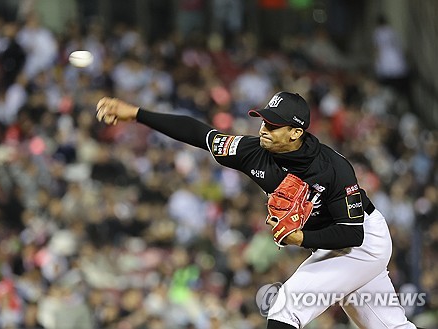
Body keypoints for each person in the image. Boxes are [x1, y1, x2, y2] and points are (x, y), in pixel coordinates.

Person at [95, 92, 417, 329]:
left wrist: (301, 237)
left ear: (295, 132)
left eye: (273, 125)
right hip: (336, 243)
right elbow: (199, 134)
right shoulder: (253, 152)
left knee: (285, 309)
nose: (264, 128)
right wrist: (137, 113)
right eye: (264, 120)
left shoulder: (332, 167)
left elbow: (352, 233)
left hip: (363, 241)